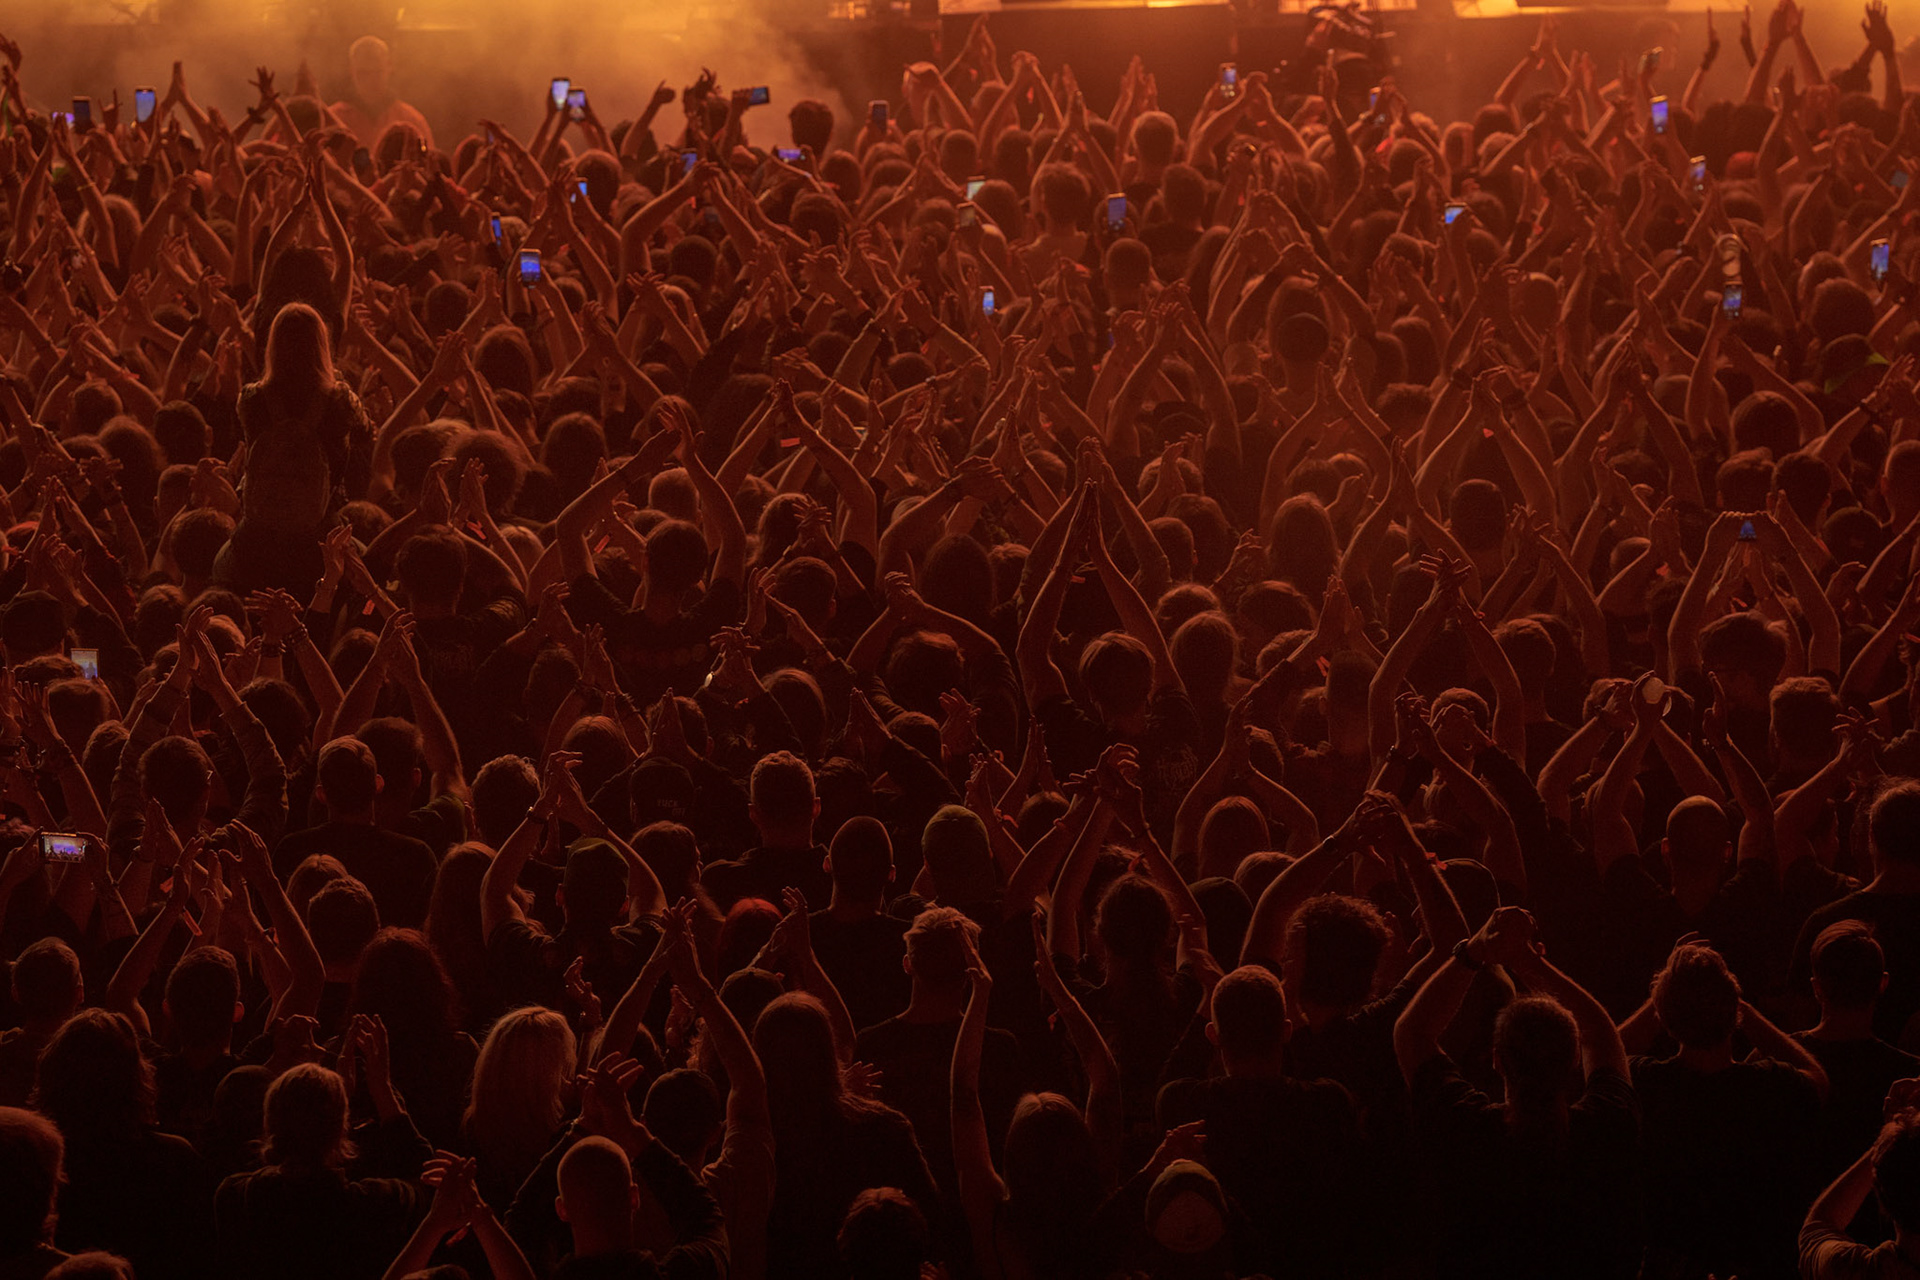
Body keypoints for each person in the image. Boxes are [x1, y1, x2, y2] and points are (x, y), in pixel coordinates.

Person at [329, 36, 436, 151]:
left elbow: (430, 164)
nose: (370, 80)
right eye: (363, 73)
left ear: (389, 67)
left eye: (377, 72)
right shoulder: (333, 120)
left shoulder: (411, 121)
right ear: (351, 71)